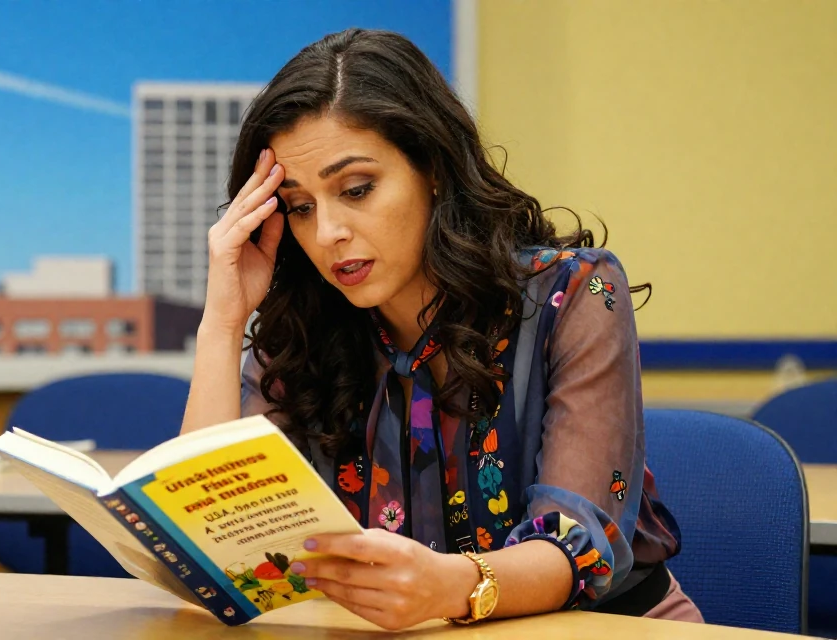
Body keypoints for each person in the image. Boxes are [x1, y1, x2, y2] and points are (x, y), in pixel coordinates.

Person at [179, 28, 703, 630]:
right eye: (300, 206)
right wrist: (222, 323)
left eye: (356, 190)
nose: (327, 234)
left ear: (432, 169)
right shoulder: (302, 326)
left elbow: (576, 548)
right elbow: (214, 546)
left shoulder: (575, 294)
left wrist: (455, 586)